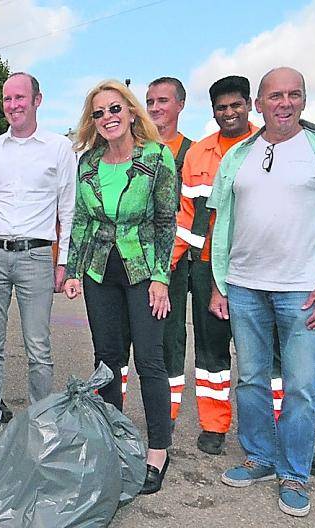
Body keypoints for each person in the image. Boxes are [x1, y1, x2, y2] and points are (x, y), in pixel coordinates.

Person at [208, 67, 315, 517]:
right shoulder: (238, 155)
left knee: (301, 387)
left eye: (293, 95)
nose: (285, 103)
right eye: (275, 95)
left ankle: (294, 472)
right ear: (258, 104)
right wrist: (220, 285)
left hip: (303, 292)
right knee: (251, 379)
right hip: (243, 288)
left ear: (304, 100)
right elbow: (221, 224)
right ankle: (259, 456)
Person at [64, 79, 177, 495]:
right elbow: (81, 219)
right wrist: (74, 270)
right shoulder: (89, 162)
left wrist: (162, 277)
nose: (108, 118)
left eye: (115, 109)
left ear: (131, 112)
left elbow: (166, 222)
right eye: (99, 113)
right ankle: (112, 438)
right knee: (107, 359)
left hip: (144, 270)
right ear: (92, 122)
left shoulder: (157, 157)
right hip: (99, 271)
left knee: (150, 360)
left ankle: (158, 451)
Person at [0, 72, 77, 435]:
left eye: (20, 98)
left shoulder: (59, 148)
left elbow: (68, 210)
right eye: (7, 99)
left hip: (35, 258)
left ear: (37, 100)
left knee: (38, 346)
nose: (13, 106)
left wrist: (63, 262)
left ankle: (40, 418)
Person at [169, 75, 256, 455]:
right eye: (222, 107)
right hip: (206, 269)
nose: (229, 112)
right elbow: (186, 219)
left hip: (258, 267)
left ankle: (281, 431)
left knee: (266, 356)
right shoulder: (198, 153)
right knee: (211, 353)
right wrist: (164, 267)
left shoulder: (266, 146)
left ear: (249, 105)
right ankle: (214, 425)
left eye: (236, 104)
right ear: (213, 111)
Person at [146, 76, 195, 418]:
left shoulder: (193, 152)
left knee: (171, 337)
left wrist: (169, 261)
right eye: (149, 102)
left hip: (175, 263)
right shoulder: (137, 149)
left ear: (180, 104)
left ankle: (169, 412)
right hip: (135, 259)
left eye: (162, 101)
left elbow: (194, 211)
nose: (154, 108)